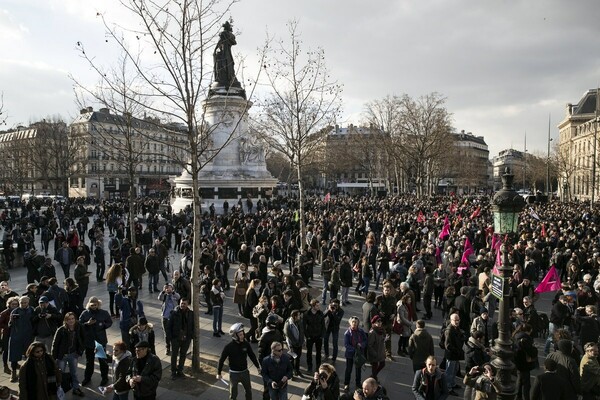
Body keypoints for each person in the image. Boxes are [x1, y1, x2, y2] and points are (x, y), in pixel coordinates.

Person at [217, 323, 261, 400]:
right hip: (234, 374)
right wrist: (219, 373)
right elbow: (221, 360)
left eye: (243, 334)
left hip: (244, 372)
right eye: (240, 335)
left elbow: (252, 355)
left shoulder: (246, 344)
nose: (243, 336)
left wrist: (258, 366)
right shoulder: (228, 347)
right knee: (233, 394)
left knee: (248, 391)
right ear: (234, 336)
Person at [79, 296, 112, 387]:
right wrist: (87, 324)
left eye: (95, 305)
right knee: (89, 361)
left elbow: (109, 322)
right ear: (89, 304)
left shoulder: (103, 313)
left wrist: (103, 325)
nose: (93, 306)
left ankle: (104, 378)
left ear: (98, 304)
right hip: (89, 341)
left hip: (100, 341)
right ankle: (87, 377)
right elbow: (79, 325)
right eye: (92, 305)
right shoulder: (85, 313)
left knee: (102, 361)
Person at [51, 312, 85, 397]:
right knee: (60, 373)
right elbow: (55, 344)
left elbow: (83, 339)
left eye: (73, 318)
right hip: (62, 355)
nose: (71, 321)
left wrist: (80, 351)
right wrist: (54, 357)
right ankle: (59, 389)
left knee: (74, 372)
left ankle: (76, 388)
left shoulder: (79, 327)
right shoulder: (61, 330)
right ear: (65, 320)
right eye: (69, 319)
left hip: (73, 354)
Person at [8, 296, 34, 382]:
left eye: (25, 302)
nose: (23, 304)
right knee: (14, 355)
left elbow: (35, 321)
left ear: (28, 302)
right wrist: (11, 320)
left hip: (28, 336)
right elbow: (9, 325)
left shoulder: (31, 310)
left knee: (29, 355)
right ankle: (13, 373)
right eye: (21, 303)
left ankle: (28, 372)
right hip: (16, 336)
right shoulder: (15, 311)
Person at [168, 298, 194, 379]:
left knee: (183, 355)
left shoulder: (190, 314)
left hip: (186, 338)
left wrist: (191, 335)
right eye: (181, 303)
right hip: (176, 338)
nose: (182, 305)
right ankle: (173, 371)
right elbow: (169, 326)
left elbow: (193, 325)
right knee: (174, 355)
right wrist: (170, 337)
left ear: (187, 305)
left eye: (184, 304)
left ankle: (180, 370)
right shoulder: (174, 313)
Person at [343, 316, 367, 392]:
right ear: (350, 323)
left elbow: (365, 340)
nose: (354, 323)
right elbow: (346, 345)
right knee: (348, 370)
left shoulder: (361, 331)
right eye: (352, 322)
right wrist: (355, 350)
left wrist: (362, 345)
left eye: (355, 322)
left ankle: (358, 384)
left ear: (358, 323)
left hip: (359, 355)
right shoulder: (347, 333)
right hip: (350, 355)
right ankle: (346, 384)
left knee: (358, 370)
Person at [443, 312, 464, 396]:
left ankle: (452, 384)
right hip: (451, 355)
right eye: (455, 320)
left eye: (458, 320)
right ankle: (448, 387)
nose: (457, 322)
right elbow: (447, 345)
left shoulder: (456, 328)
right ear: (451, 320)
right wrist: (456, 350)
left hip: (456, 354)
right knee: (449, 371)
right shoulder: (449, 330)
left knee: (454, 370)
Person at [304, 299, 326, 374]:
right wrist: (307, 336)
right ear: (313, 306)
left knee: (318, 352)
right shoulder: (307, 314)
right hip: (310, 336)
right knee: (309, 352)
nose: (318, 307)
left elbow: (323, 325)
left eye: (319, 305)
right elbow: (304, 326)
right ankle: (309, 367)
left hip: (318, 336)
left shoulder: (320, 313)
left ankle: (318, 367)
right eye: (317, 305)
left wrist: (322, 335)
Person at [158, 283, 180, 355]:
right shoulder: (164, 295)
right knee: (166, 334)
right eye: (167, 288)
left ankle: (175, 347)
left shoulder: (174, 295)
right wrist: (163, 292)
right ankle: (167, 347)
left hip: (174, 317)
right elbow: (159, 298)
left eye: (169, 287)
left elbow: (178, 297)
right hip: (165, 317)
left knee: (174, 332)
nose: (168, 289)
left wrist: (172, 292)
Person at [283, 310, 304, 378]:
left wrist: (302, 340)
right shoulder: (288, 324)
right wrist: (290, 346)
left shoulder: (299, 322)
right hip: (293, 345)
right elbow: (288, 336)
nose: (300, 316)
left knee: (297, 358)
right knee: (293, 359)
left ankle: (296, 371)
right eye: (298, 315)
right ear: (294, 316)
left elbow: (301, 331)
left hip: (299, 343)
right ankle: (292, 372)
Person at [367, 315, 386, 382]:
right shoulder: (372, 332)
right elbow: (370, 345)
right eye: (378, 321)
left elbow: (382, 338)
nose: (380, 323)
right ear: (374, 323)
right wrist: (374, 354)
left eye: (380, 321)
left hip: (380, 352)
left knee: (382, 364)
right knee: (374, 367)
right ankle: (374, 380)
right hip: (375, 353)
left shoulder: (381, 330)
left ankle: (373, 376)